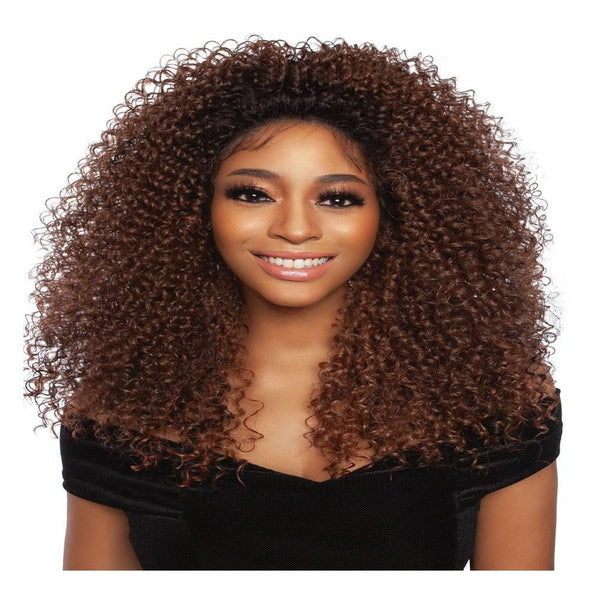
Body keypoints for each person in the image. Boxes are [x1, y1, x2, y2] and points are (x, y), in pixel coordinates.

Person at [25, 37, 562, 570]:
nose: (296, 229)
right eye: (253, 194)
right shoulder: (121, 409)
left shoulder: (496, 399)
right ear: (194, 208)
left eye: (338, 198)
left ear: (395, 212)